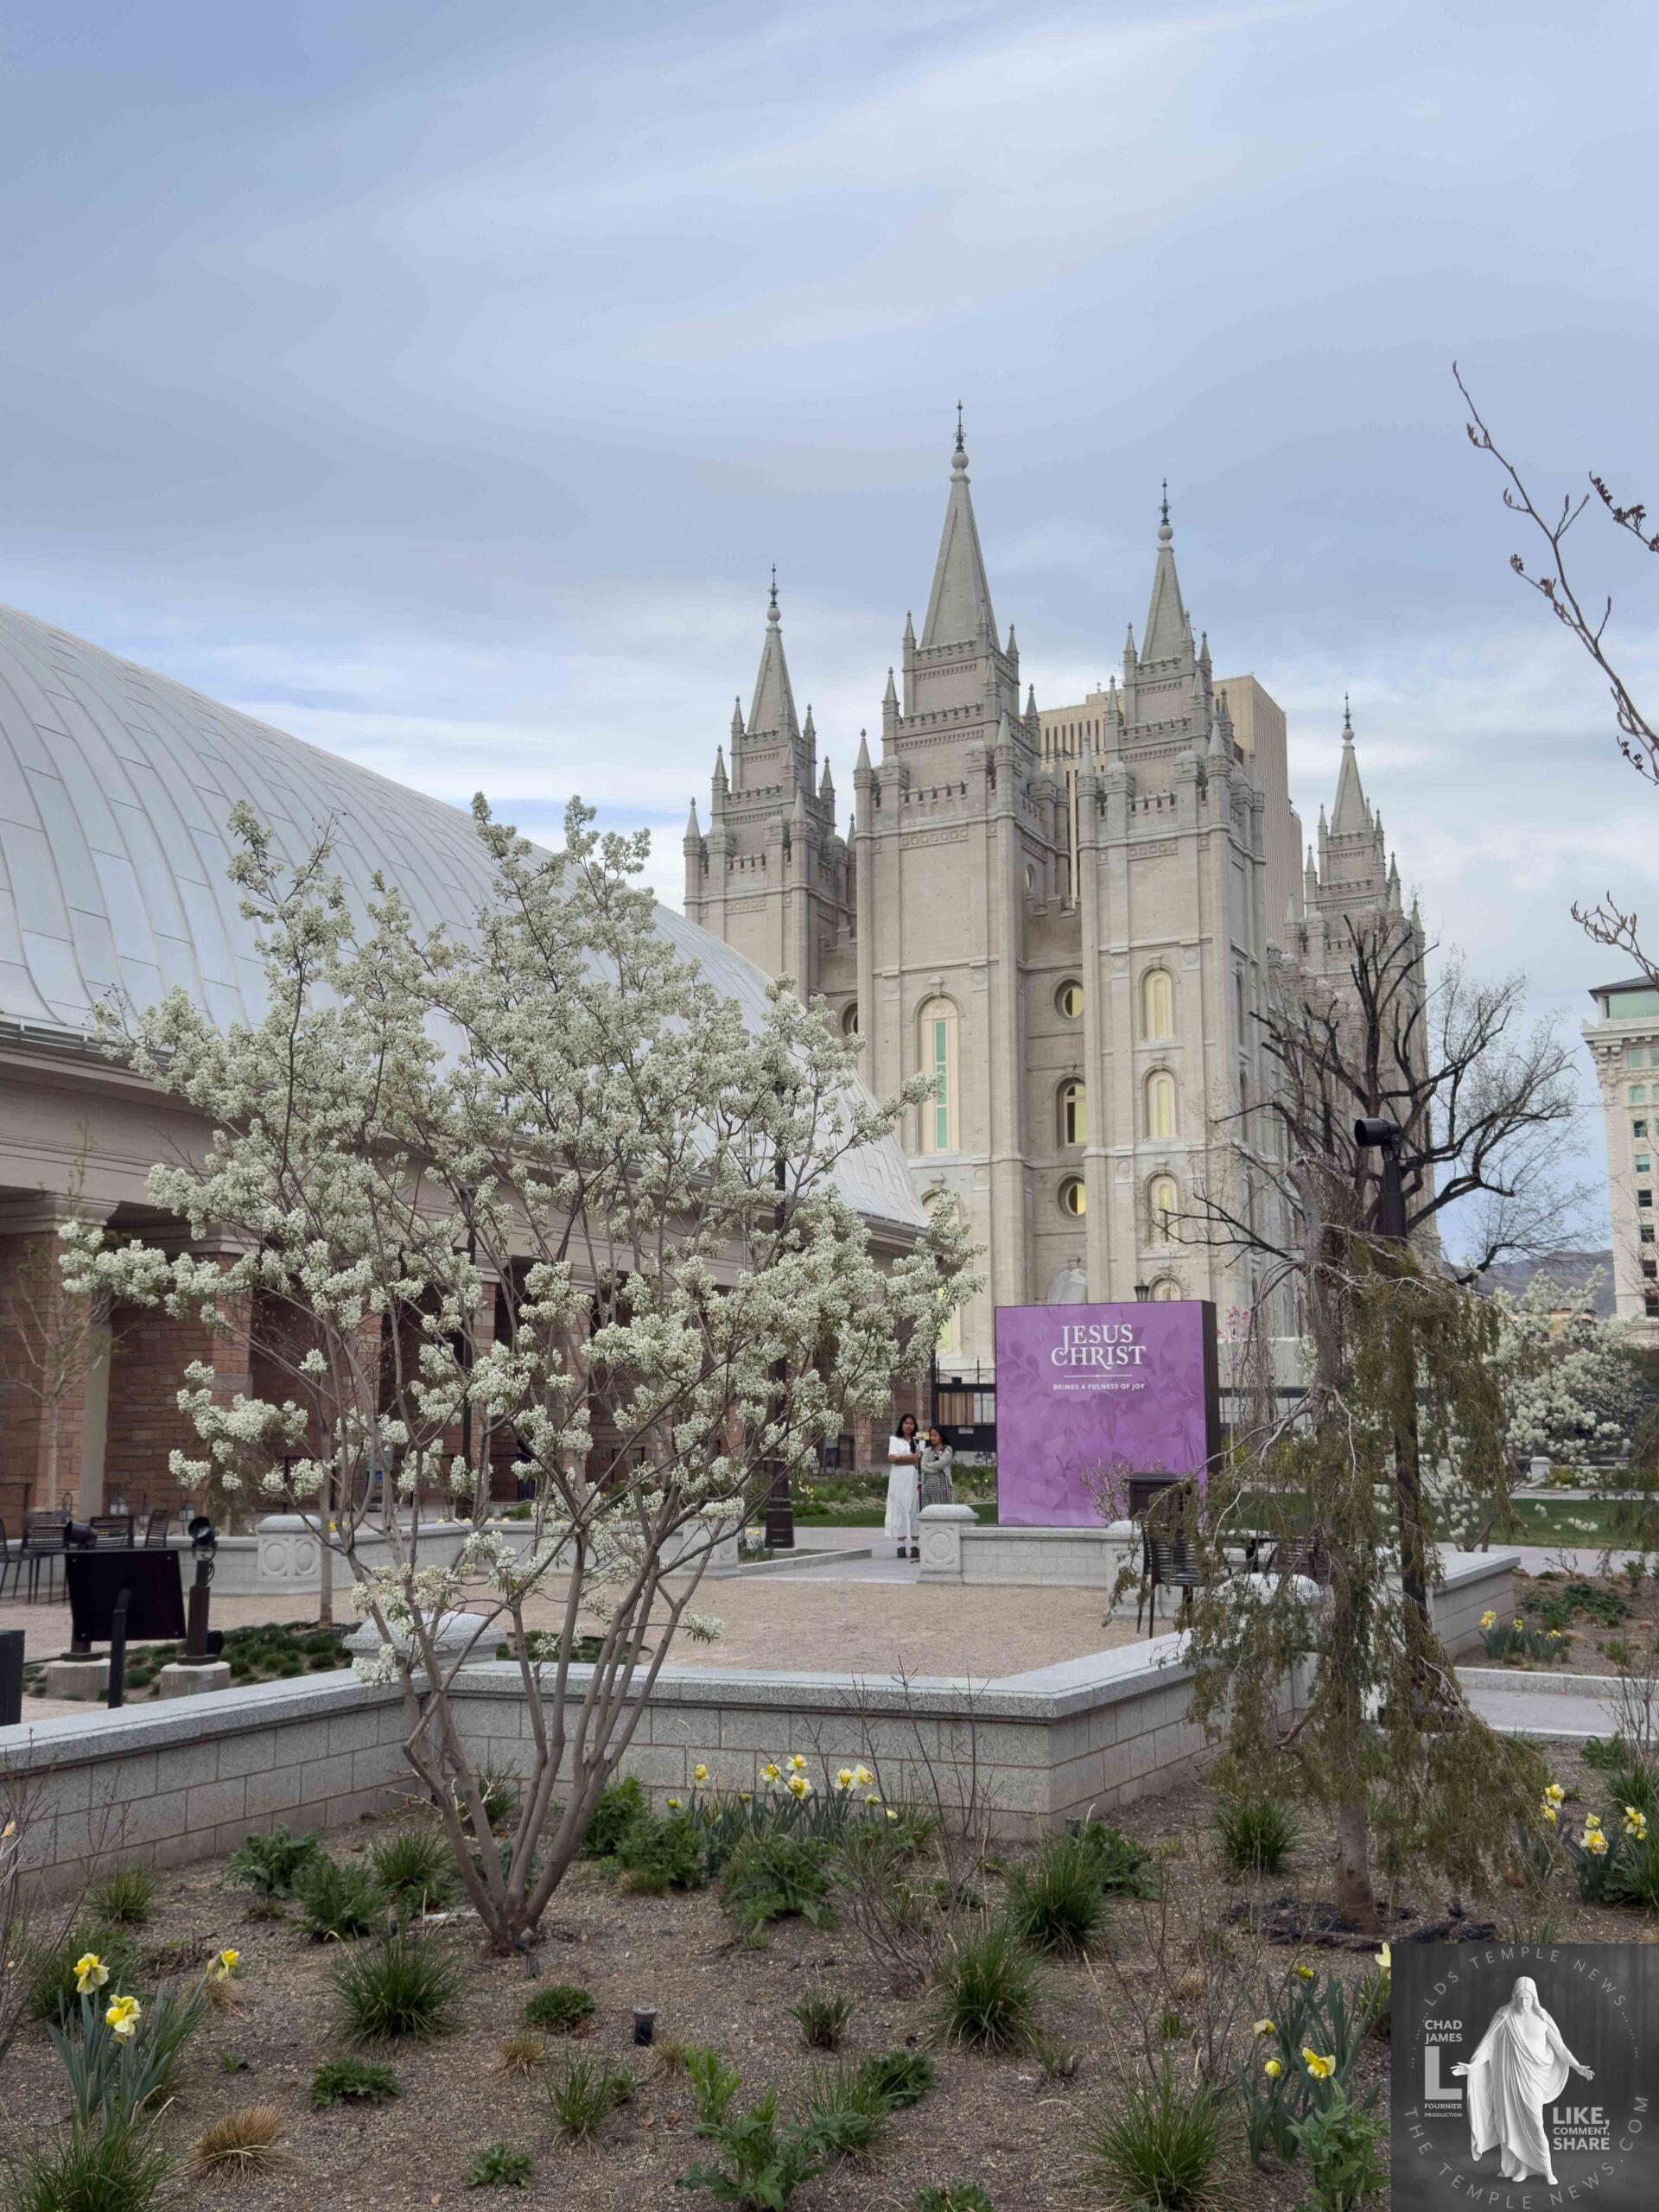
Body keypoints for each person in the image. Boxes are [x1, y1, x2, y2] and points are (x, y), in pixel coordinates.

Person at [1452, 1975, 1593, 2186]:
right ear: (1514, 1996)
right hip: (1509, 2080)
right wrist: (1472, 2067)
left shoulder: (1543, 2018)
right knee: (1511, 2123)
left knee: (1536, 2123)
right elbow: (1488, 2046)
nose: (1523, 2003)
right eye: (1520, 1998)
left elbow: (1560, 2048)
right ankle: (1521, 2168)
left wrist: (1577, 2066)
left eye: (1528, 1998)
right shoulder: (1504, 2016)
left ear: (1534, 1998)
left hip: (1533, 2079)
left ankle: (1547, 2169)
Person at [885, 1413, 922, 1559]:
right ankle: (901, 1546)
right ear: (902, 1424)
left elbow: (919, 1458)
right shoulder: (895, 1440)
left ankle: (915, 1545)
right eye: (906, 1423)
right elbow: (892, 1459)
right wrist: (909, 1459)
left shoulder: (918, 1440)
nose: (909, 1426)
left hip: (913, 1478)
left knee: (914, 1508)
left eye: (911, 1423)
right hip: (898, 1480)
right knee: (899, 1509)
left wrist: (901, 1458)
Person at [918, 1425, 956, 1510]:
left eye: (935, 1435)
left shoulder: (947, 1449)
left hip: (943, 1487)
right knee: (929, 1512)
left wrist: (928, 1464)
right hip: (928, 1487)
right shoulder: (928, 1450)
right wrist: (935, 1470)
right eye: (931, 1436)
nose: (932, 1438)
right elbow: (922, 1467)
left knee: (944, 1511)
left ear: (941, 1436)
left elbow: (941, 1464)